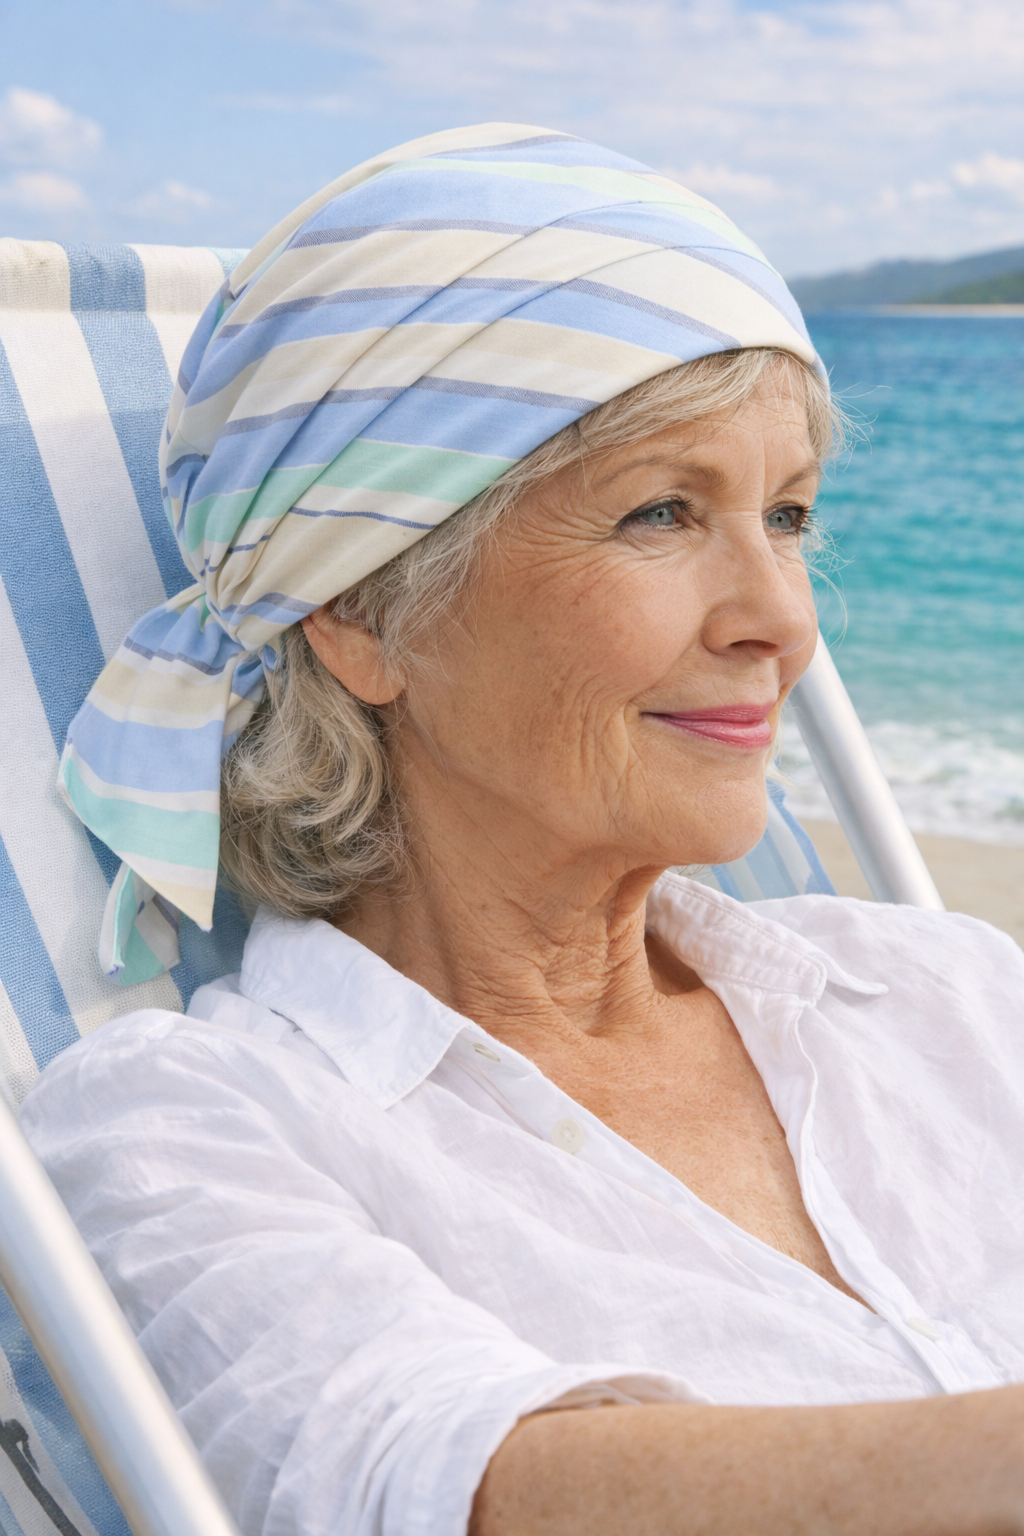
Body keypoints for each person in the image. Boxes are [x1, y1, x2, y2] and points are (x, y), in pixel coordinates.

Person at [20, 124, 1024, 1536]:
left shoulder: (946, 991)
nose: (785, 621)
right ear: (362, 612)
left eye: (789, 515)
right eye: (662, 513)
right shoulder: (196, 1128)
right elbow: (455, 1489)